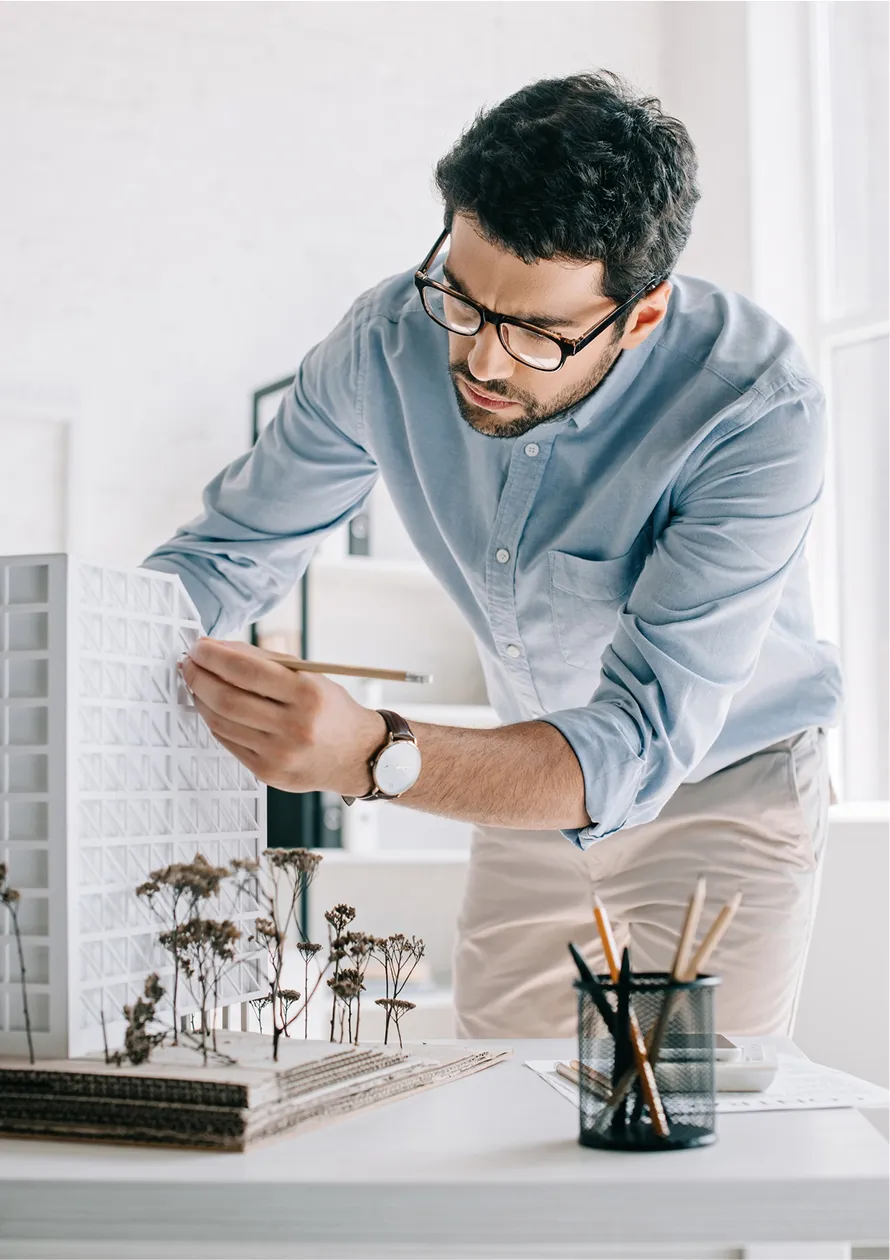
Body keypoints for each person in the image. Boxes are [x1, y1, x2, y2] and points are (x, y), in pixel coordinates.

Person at [145, 71, 842, 1039]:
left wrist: (370, 756)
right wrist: (71, 652)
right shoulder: (384, 340)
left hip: (722, 783)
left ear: (637, 315)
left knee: (687, 1129)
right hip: (528, 773)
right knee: (496, 1104)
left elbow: (639, 739)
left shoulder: (754, 406)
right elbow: (228, 554)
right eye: (462, 301)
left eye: (539, 334)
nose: (480, 360)